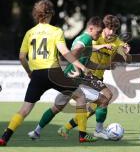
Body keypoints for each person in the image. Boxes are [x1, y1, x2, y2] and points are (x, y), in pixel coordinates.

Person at [0, 0, 93, 146]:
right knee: (80, 97)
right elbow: (65, 52)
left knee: (24, 109)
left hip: (37, 74)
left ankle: (5, 137)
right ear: (50, 14)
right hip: (53, 73)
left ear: (36, 15)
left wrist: (29, 72)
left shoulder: (30, 33)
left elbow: (22, 57)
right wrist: (81, 66)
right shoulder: (56, 31)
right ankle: (82, 135)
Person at [26, 14, 106, 142]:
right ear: (91, 28)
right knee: (103, 100)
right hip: (74, 80)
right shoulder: (85, 39)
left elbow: (82, 56)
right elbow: (74, 52)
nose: (100, 34)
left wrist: (102, 64)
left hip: (67, 79)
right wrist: (77, 70)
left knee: (57, 107)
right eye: (99, 31)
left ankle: (36, 131)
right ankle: (88, 133)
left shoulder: (84, 39)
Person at [56, 14, 131, 140]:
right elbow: (86, 47)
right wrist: (101, 46)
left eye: (115, 30)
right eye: (109, 28)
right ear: (103, 28)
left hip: (98, 76)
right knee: (107, 97)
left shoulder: (117, 41)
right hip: (88, 75)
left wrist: (127, 53)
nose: (111, 32)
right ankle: (98, 130)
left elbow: (128, 59)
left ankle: (66, 128)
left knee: (94, 108)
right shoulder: (96, 37)